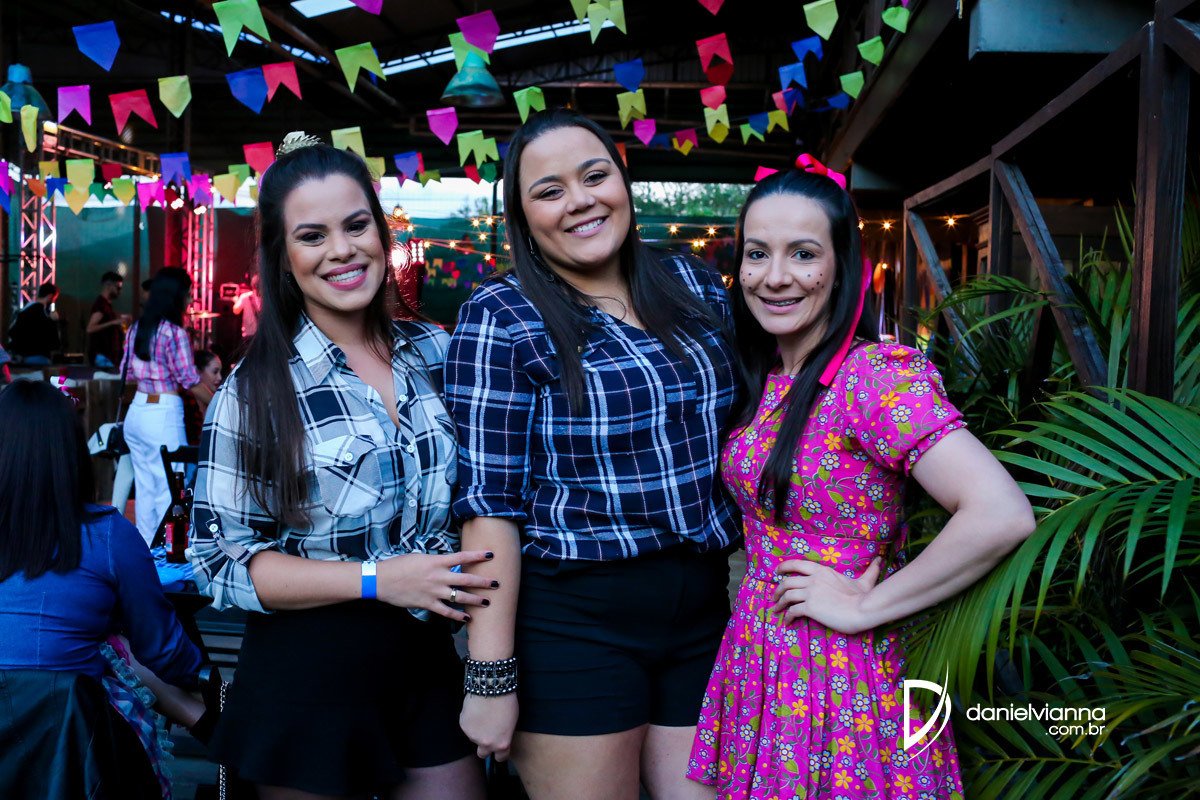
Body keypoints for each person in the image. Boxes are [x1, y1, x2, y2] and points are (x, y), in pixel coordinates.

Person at [686, 167, 1037, 798]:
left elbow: (1000, 512)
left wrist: (864, 607)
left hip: (843, 671)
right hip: (759, 655)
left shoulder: (872, 378)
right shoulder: (765, 374)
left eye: (803, 254)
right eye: (758, 254)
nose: (774, 276)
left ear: (843, 266)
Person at [445, 108, 741, 800]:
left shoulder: (693, 285)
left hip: (704, 608)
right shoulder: (501, 316)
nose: (579, 200)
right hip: (575, 618)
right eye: (549, 191)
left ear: (622, 181)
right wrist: (490, 677)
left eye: (594, 176)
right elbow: (490, 509)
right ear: (523, 216)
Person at [189, 133, 494, 800]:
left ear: (381, 233)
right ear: (284, 256)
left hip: (427, 665)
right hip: (308, 679)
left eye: (356, 226)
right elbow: (220, 563)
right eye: (312, 236)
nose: (342, 250)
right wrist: (379, 579)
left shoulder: (438, 353)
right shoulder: (255, 391)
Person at [0, 380, 205, 778]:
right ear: (71, 454)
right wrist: (202, 677)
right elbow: (162, 649)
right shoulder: (109, 534)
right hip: (79, 761)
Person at [119, 268, 202, 546]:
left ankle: (146, 549)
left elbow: (126, 372)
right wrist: (217, 400)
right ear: (176, 295)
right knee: (172, 485)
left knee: (145, 488)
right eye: (188, 293)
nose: (190, 298)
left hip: (137, 410)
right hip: (162, 411)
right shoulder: (174, 333)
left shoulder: (135, 329)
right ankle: (170, 550)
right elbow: (189, 379)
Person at [7, 282, 61, 365]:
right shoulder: (42, 313)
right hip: (38, 356)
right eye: (54, 299)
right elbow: (49, 336)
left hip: (22, 356)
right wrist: (53, 321)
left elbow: (13, 331)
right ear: (50, 296)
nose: (53, 301)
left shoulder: (25, 310)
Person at [87, 271, 131, 369]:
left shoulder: (105, 305)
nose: (120, 292)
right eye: (118, 288)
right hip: (103, 356)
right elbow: (90, 328)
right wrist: (113, 322)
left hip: (107, 356)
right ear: (108, 286)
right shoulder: (101, 305)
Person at [184, 350, 222, 445]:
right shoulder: (186, 402)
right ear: (198, 372)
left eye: (220, 372)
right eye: (215, 372)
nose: (220, 377)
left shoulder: (212, 401)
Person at [232, 274, 261, 339]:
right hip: (263, 334)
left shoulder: (245, 297)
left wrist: (236, 300)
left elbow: (236, 311)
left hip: (249, 334)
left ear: (252, 285)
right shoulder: (266, 298)